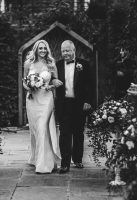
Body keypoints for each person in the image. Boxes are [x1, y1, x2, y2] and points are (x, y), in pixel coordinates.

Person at [23, 40, 63, 173]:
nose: (43, 51)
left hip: (46, 99)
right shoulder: (28, 63)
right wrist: (29, 87)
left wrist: (49, 86)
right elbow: (24, 81)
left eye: (45, 49)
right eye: (40, 48)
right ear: (36, 49)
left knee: (43, 128)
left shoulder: (51, 63)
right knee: (35, 130)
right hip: (33, 99)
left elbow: (55, 82)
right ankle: (36, 158)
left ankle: (44, 164)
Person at [55, 40, 95, 173]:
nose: (65, 53)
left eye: (67, 50)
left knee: (78, 133)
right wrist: (53, 80)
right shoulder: (58, 65)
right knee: (64, 134)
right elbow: (50, 79)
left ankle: (77, 160)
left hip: (79, 103)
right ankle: (65, 163)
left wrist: (88, 101)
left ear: (73, 50)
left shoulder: (84, 64)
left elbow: (90, 84)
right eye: (63, 51)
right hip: (63, 104)